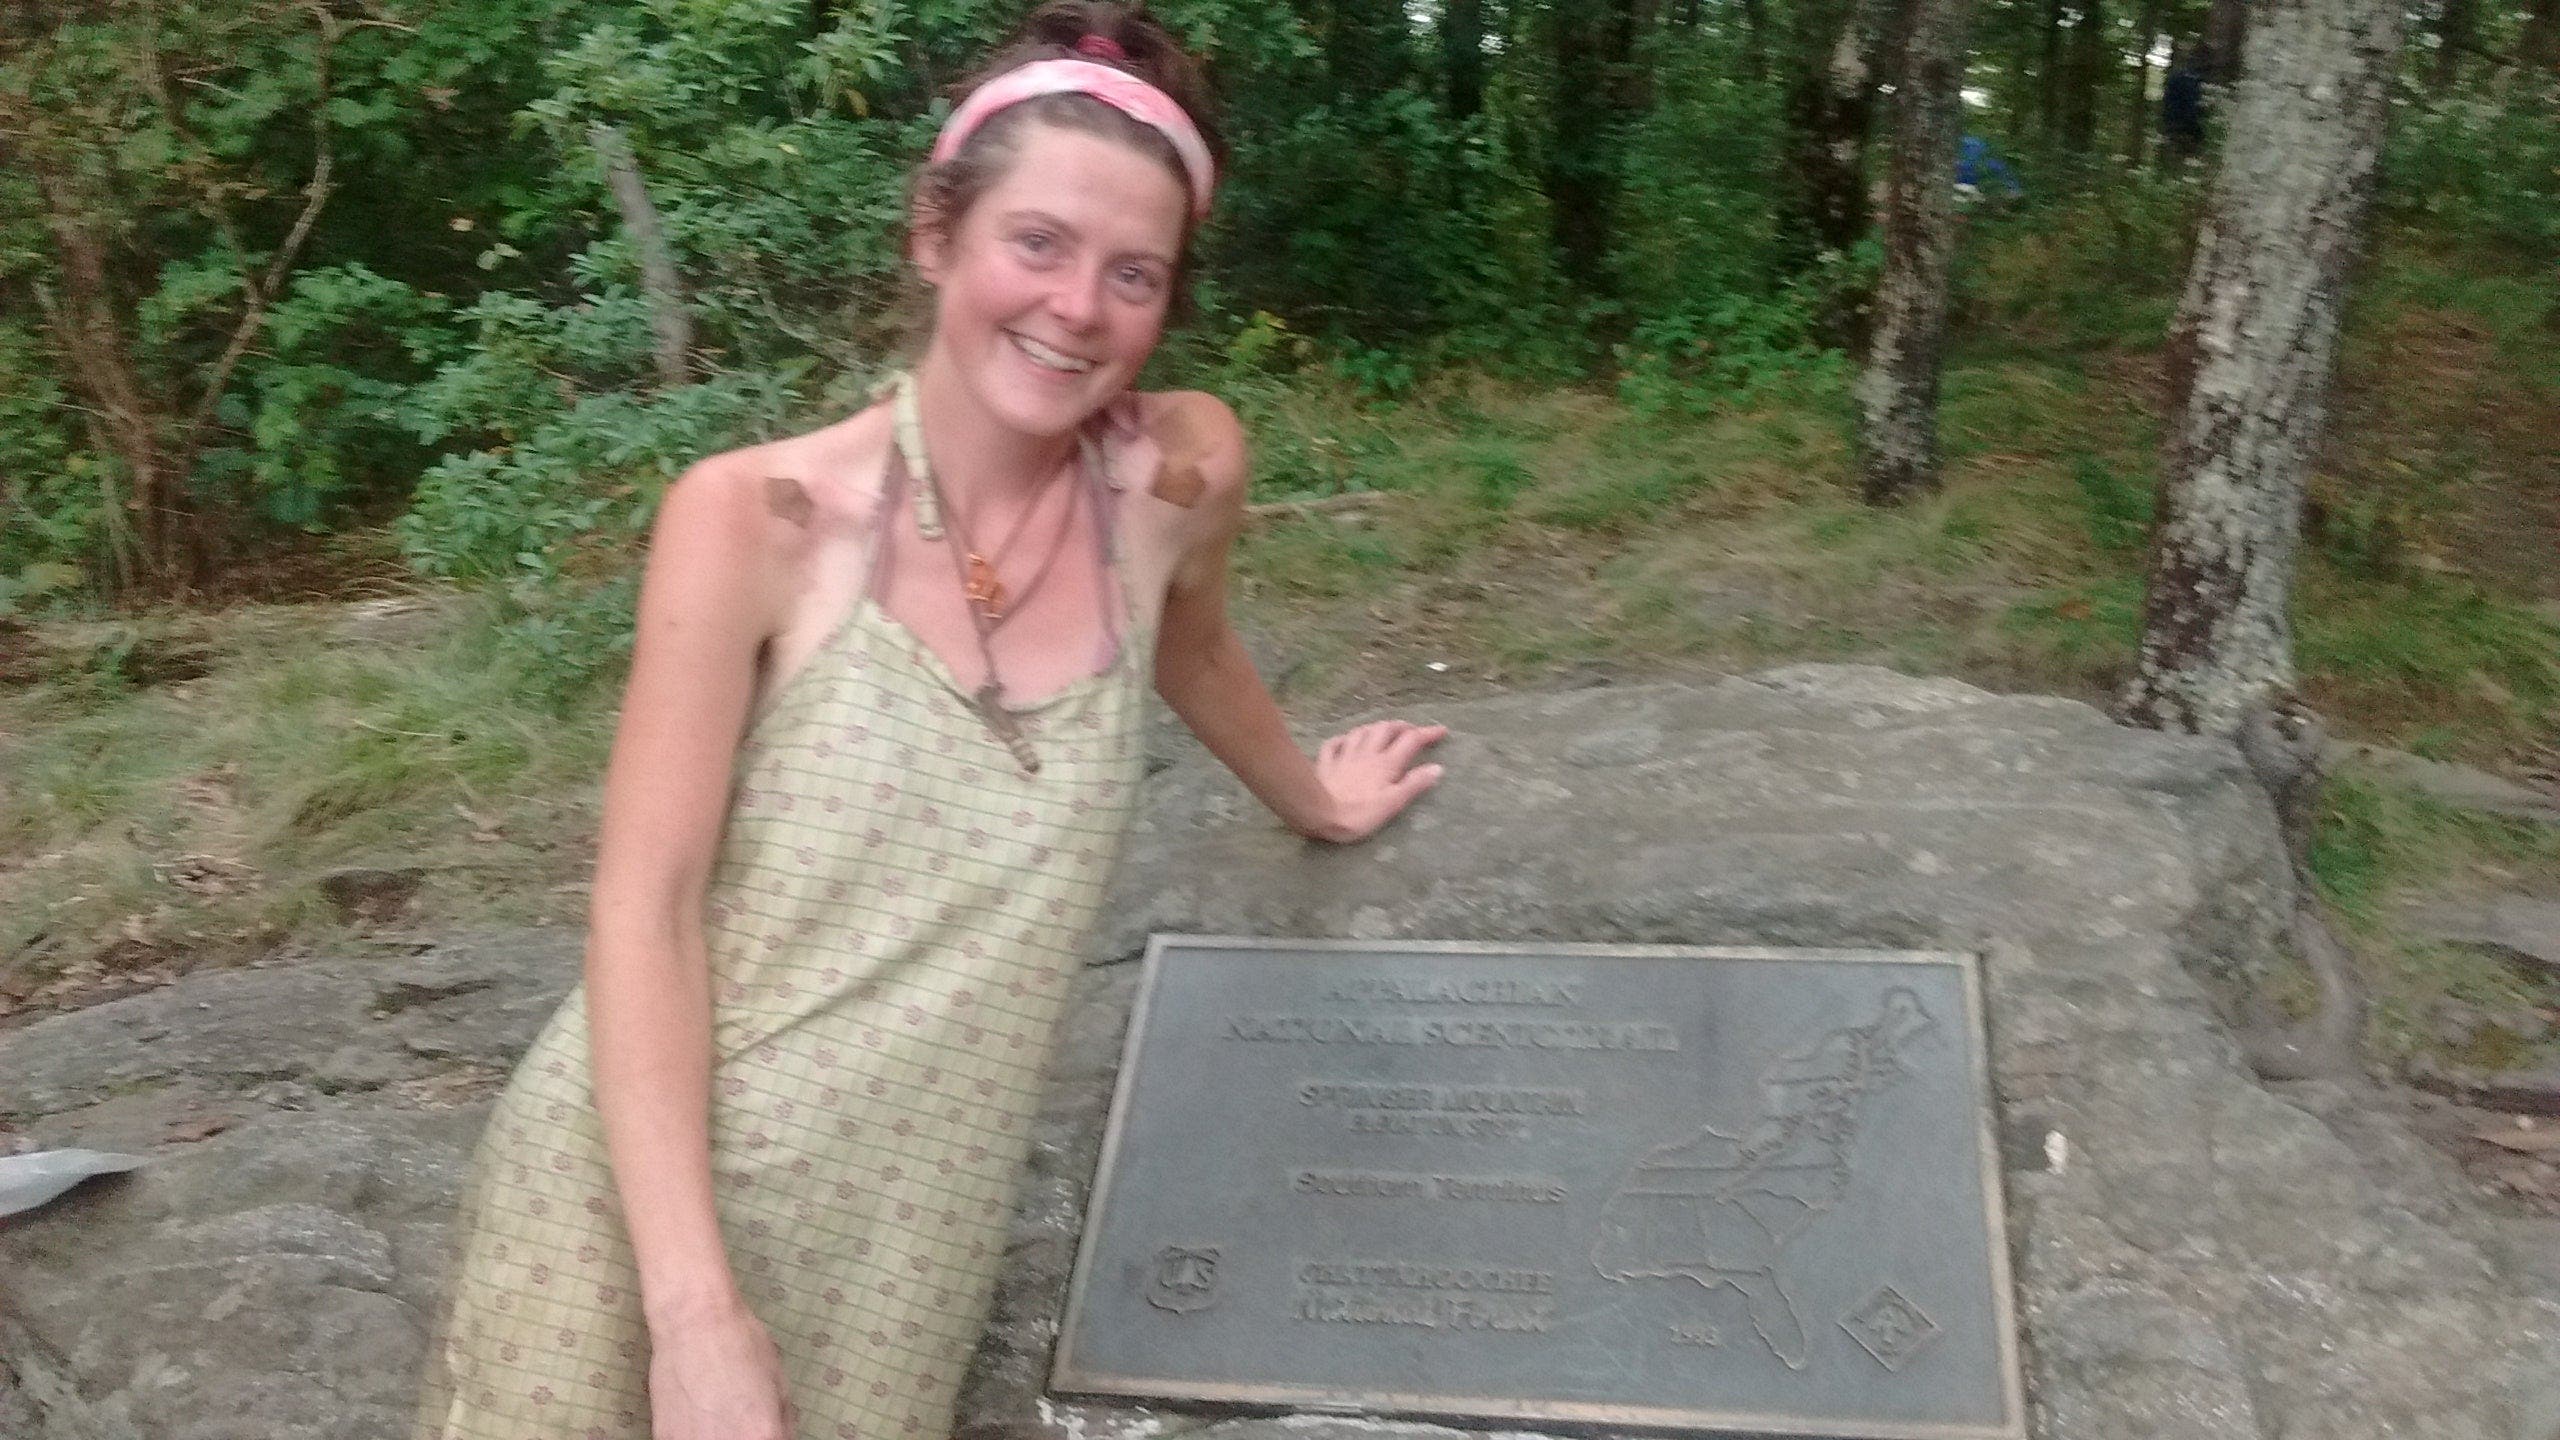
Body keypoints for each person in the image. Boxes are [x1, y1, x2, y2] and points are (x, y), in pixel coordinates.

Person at [414, 6, 1448, 1437]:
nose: (1077, 307)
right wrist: (695, 1322)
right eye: (1038, 243)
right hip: (640, 1226)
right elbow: (643, 910)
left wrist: (1315, 801)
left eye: (1133, 273)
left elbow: (1193, 648)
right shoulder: (758, 519)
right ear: (933, 233)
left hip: (905, 1241)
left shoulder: (1177, 476)